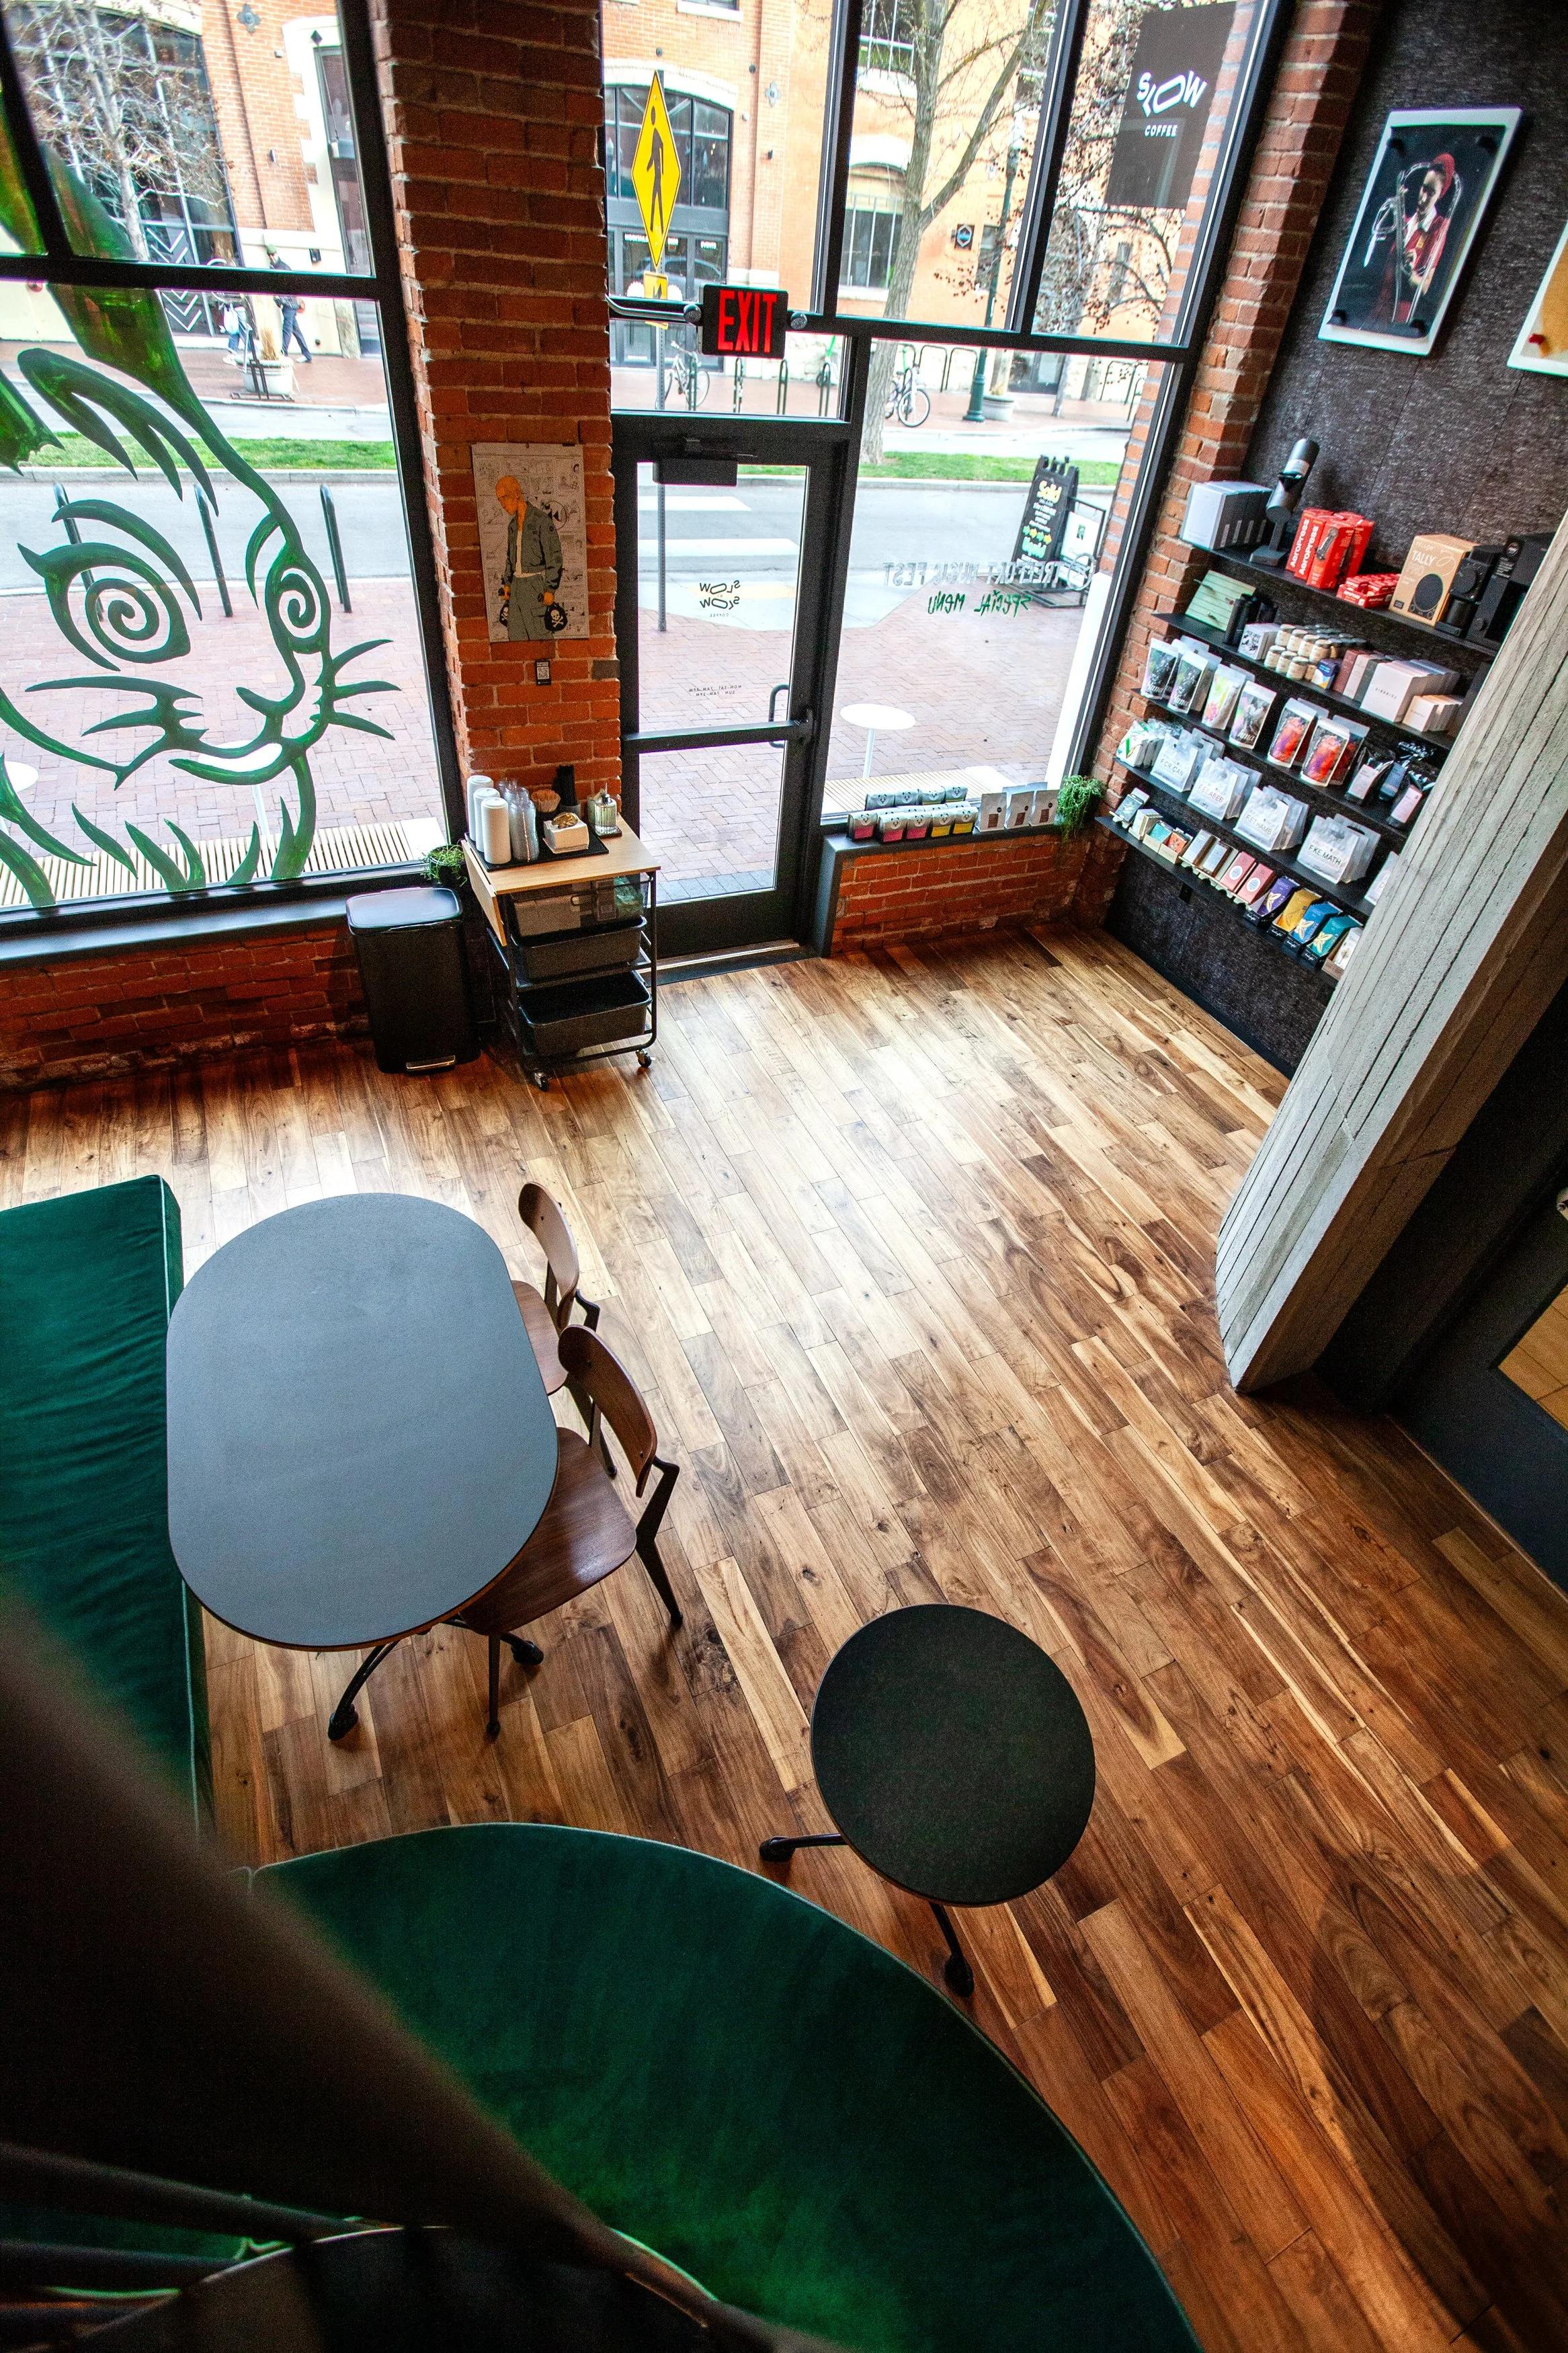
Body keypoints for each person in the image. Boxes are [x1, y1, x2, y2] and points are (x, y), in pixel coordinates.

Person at [494, 475, 564, 640]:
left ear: (517, 494)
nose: (502, 505)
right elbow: (510, 559)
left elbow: (554, 557)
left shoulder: (541, 521)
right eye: (499, 500)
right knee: (516, 636)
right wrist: (507, 584)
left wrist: (550, 589)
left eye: (505, 498)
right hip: (516, 587)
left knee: (539, 636)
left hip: (535, 585)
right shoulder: (512, 526)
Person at [276, 292, 313, 362]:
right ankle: (307, 355)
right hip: (293, 305)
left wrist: (279, 301)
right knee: (297, 332)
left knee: (287, 331)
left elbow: (280, 301)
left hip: (288, 307)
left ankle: (284, 352)